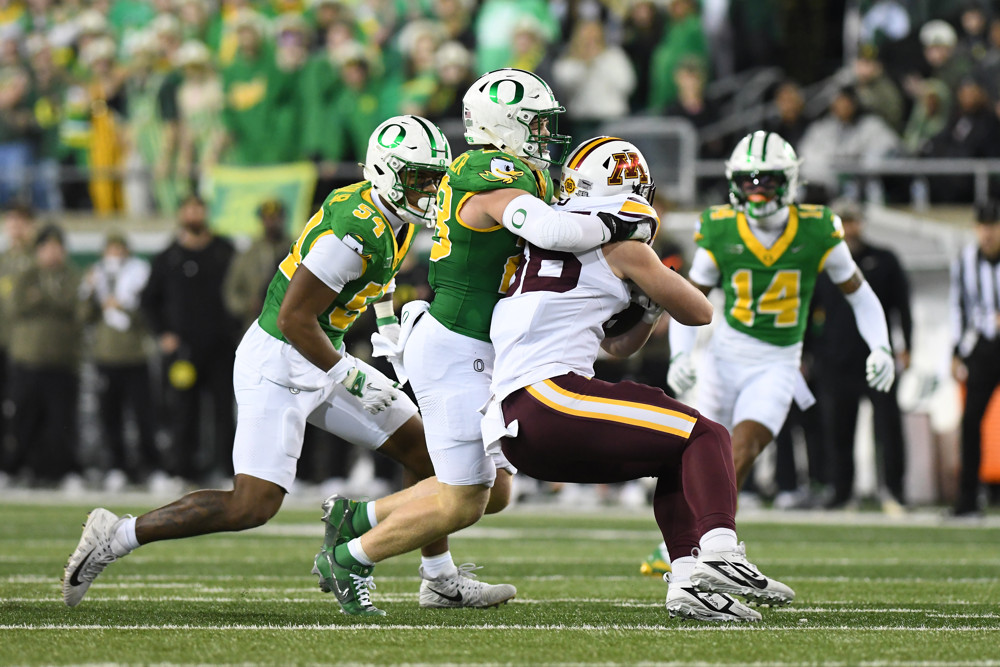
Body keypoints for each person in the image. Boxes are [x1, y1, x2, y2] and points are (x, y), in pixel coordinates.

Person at [62, 116, 509, 614]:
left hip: (323, 349)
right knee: (252, 505)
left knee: (427, 454)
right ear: (386, 173)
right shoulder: (355, 227)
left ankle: (438, 579)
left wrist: (387, 328)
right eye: (418, 178)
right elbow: (294, 318)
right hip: (280, 359)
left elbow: (375, 280)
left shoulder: (390, 216)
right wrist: (346, 374)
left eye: (434, 178)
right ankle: (116, 534)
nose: (429, 190)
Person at [311, 69, 654, 615]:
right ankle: (354, 555)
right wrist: (624, 223)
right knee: (465, 496)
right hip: (455, 346)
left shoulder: (522, 174)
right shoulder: (485, 168)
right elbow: (555, 234)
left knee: (493, 492)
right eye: (536, 124)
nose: (546, 134)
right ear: (502, 125)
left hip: (484, 348)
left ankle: (365, 521)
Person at [484, 136, 793, 622]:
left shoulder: (540, 239)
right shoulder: (624, 246)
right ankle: (721, 549)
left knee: (674, 453)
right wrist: (655, 285)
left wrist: (646, 310)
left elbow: (616, 346)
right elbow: (700, 311)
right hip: (551, 398)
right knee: (706, 434)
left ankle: (689, 579)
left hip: (517, 422)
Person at [641, 130, 896, 574]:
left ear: (790, 182)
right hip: (723, 357)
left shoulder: (817, 228)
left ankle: (699, 545)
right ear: (734, 182)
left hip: (777, 361)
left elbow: (858, 292)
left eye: (768, 181)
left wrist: (882, 345)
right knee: (695, 454)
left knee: (738, 450)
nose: (758, 190)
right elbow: (687, 297)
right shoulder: (720, 227)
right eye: (749, 180)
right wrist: (682, 355)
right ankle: (683, 542)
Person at [811, 201, 912, 511]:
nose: (849, 228)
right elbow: (808, 311)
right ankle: (842, 491)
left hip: (875, 358)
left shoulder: (884, 260)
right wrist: (808, 352)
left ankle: (893, 491)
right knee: (838, 429)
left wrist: (906, 346)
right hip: (836, 359)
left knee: (888, 429)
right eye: (844, 221)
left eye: (853, 221)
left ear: (862, 223)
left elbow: (902, 307)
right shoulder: (824, 262)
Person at [140, 194, 240, 484]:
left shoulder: (225, 251)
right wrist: (163, 334)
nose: (194, 214)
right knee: (183, 410)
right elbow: (149, 301)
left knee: (225, 410)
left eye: (199, 209)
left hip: (221, 347)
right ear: (182, 213)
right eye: (189, 209)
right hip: (183, 349)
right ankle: (182, 470)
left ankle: (228, 470)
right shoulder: (168, 257)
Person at [82, 232, 159, 487]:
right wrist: (91, 291)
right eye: (110, 249)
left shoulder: (140, 275)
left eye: (119, 249)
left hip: (134, 356)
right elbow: (84, 316)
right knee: (110, 416)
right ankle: (116, 466)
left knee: (143, 415)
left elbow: (148, 315)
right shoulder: (97, 276)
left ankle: (151, 466)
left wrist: (123, 306)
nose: (115, 255)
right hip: (106, 356)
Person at [949, 200, 1000, 517]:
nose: (987, 232)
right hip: (981, 347)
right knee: (969, 422)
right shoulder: (965, 261)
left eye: (993, 225)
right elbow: (958, 307)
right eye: (982, 225)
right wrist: (955, 351)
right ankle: (968, 500)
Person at [223, 198, 292, 331]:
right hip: (256, 325)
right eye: (268, 218)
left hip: (290, 326)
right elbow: (231, 292)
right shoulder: (248, 255)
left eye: (276, 218)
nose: (272, 223)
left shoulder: (295, 250)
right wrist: (249, 305)